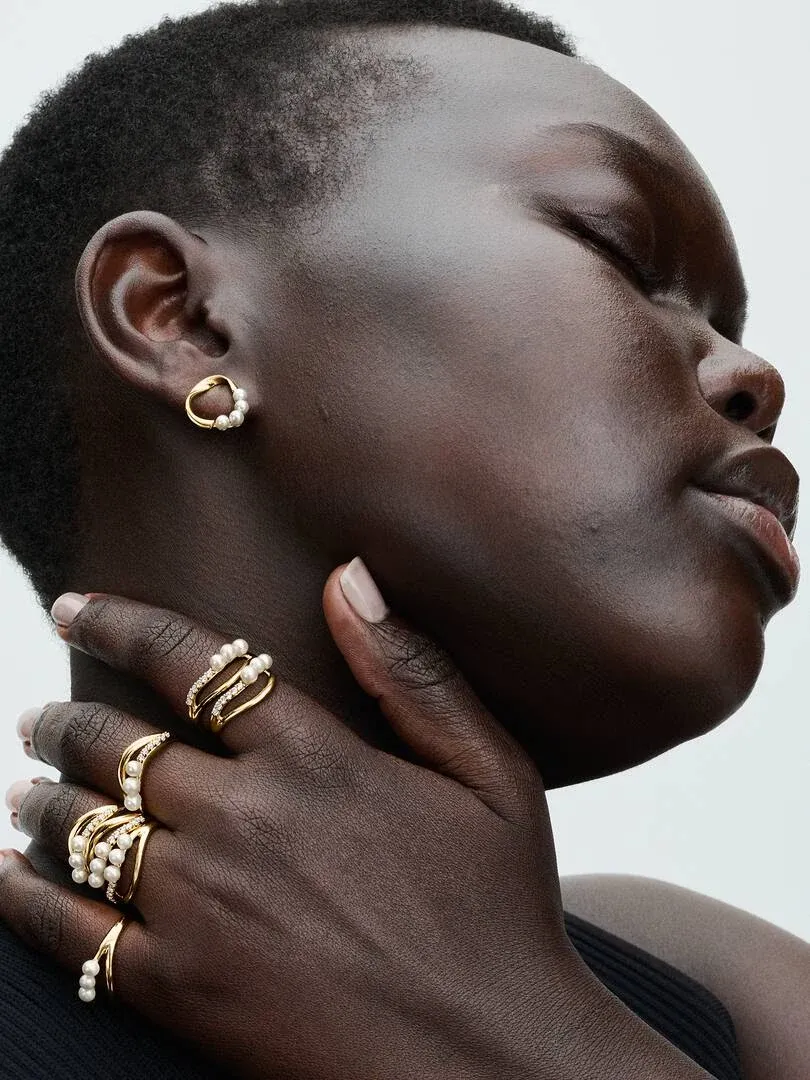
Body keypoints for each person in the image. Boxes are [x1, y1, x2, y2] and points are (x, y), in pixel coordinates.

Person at [0, 0, 805, 1076]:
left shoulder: (729, 995)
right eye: (617, 246)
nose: (757, 380)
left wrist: (503, 1023)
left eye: (730, 324)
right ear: (179, 319)